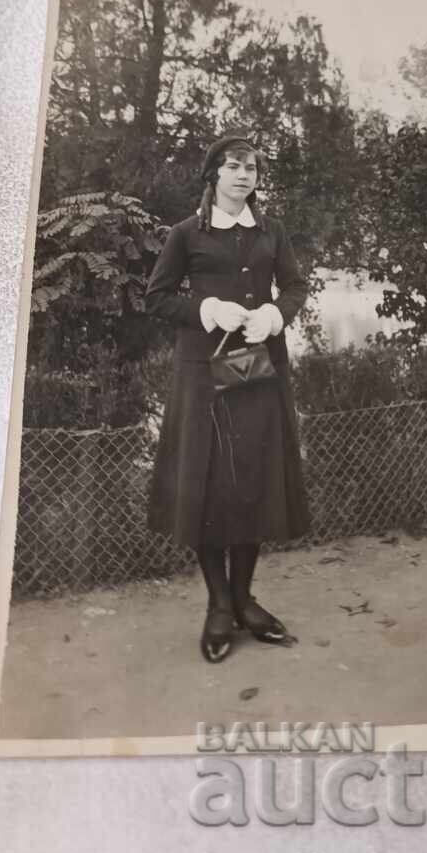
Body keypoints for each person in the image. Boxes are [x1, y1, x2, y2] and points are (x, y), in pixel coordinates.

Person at [145, 133, 311, 663]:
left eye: (252, 169)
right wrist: (206, 309)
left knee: (254, 485)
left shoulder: (271, 231)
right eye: (233, 167)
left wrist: (275, 314)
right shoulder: (185, 234)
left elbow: (295, 286)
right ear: (214, 174)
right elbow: (158, 298)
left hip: (260, 374)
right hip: (203, 379)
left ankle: (244, 598)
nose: (244, 176)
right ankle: (219, 605)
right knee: (210, 486)